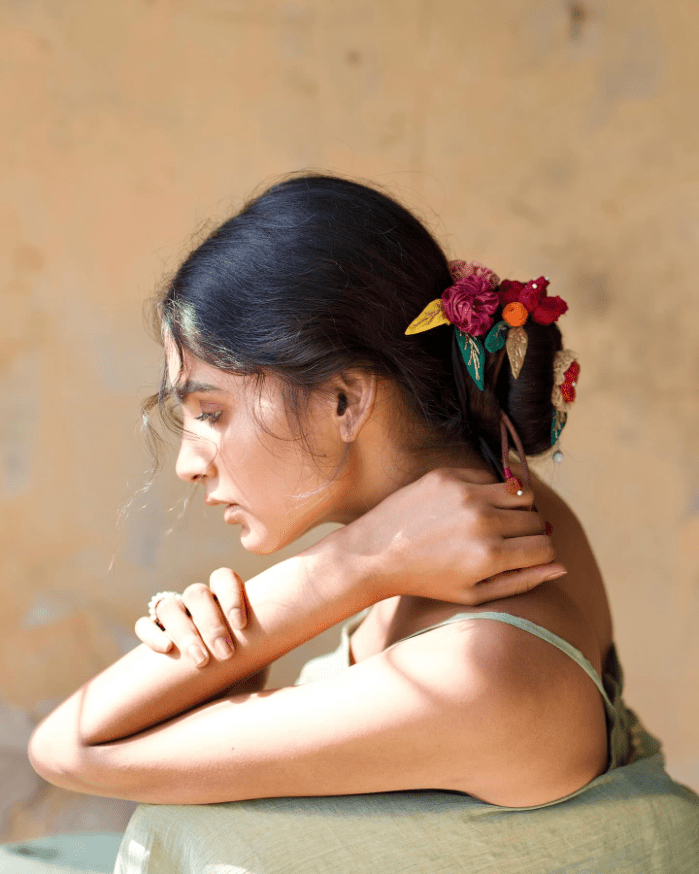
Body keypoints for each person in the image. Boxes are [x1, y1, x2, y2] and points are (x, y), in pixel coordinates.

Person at [28, 174, 699, 873]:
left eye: (212, 412)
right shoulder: (503, 502)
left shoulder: (478, 673)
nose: (188, 465)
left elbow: (70, 749)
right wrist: (252, 643)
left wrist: (347, 566)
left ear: (344, 400)